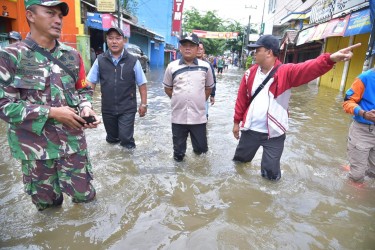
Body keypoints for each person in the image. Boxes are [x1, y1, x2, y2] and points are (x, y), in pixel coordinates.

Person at [0, 0, 100, 211]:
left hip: (73, 145)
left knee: (86, 203)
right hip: (35, 152)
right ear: (30, 15)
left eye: (60, 16)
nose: (57, 20)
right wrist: (52, 113)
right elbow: (4, 106)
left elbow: (82, 89)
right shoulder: (9, 57)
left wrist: (86, 107)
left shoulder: (72, 56)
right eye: (50, 13)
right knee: (48, 209)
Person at [233, 34, 360, 181]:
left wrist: (330, 59)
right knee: (239, 164)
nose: (254, 53)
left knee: (271, 176)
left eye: (257, 50)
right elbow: (241, 100)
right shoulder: (249, 73)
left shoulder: (285, 72)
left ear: (269, 52)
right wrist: (237, 123)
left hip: (275, 132)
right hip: (250, 129)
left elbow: (308, 68)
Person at [87, 27, 147, 149]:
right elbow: (91, 82)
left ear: (123, 40)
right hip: (108, 107)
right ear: (106, 41)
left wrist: (144, 104)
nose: (114, 41)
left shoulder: (133, 61)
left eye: (117, 38)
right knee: (112, 139)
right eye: (110, 38)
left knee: (126, 139)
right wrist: (87, 103)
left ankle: (129, 164)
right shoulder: (100, 60)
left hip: (127, 107)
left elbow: (142, 84)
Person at [163, 34, 214, 162]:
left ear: (197, 49)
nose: (187, 48)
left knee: (201, 153)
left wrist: (199, 100)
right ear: (180, 48)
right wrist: (178, 99)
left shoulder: (206, 67)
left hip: (199, 118)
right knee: (178, 155)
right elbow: (168, 88)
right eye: (184, 45)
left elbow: (208, 88)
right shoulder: (172, 67)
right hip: (178, 117)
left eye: (191, 46)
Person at [343, 66, 375, 183]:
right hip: (363, 130)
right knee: (356, 176)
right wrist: (364, 113)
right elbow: (347, 102)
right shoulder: (364, 78)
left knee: (373, 173)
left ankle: (353, 165)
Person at [197, 41, 216, 118]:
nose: (198, 51)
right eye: (197, 49)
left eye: (200, 49)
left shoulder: (208, 65)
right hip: (191, 95)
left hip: (204, 94)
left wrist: (212, 95)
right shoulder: (188, 63)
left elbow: (212, 80)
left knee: (204, 117)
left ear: (203, 51)